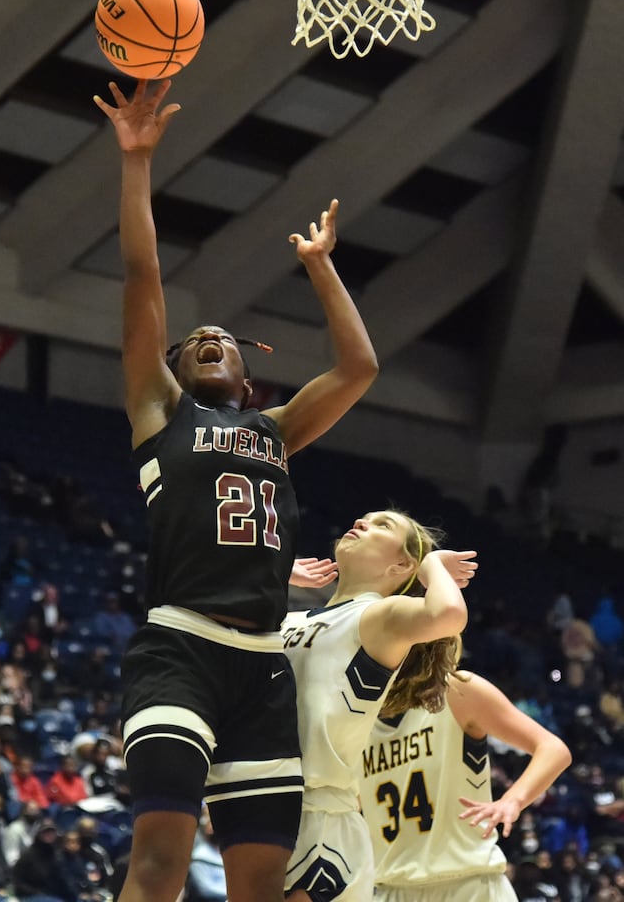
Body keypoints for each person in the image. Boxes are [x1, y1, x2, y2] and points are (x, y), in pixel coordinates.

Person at [92, 76, 379, 902]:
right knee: (160, 863)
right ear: (174, 367)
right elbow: (142, 272)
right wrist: (137, 162)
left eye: (225, 339)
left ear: (249, 379)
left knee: (259, 886)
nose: (210, 339)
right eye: (196, 340)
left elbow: (358, 368)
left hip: (262, 667)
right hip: (179, 649)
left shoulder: (277, 431)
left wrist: (320, 268)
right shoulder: (158, 410)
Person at [280, 510, 470, 902]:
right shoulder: (287, 619)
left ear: (402, 564)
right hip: (265, 800)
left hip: (320, 820)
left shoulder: (378, 615)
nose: (363, 523)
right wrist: (272, 576)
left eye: (383, 525)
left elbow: (448, 614)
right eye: (365, 518)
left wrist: (432, 565)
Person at [360, 656, 572, 902]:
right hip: (391, 889)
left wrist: (512, 799)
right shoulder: (356, 719)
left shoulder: (457, 691)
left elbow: (553, 749)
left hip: (470, 886)